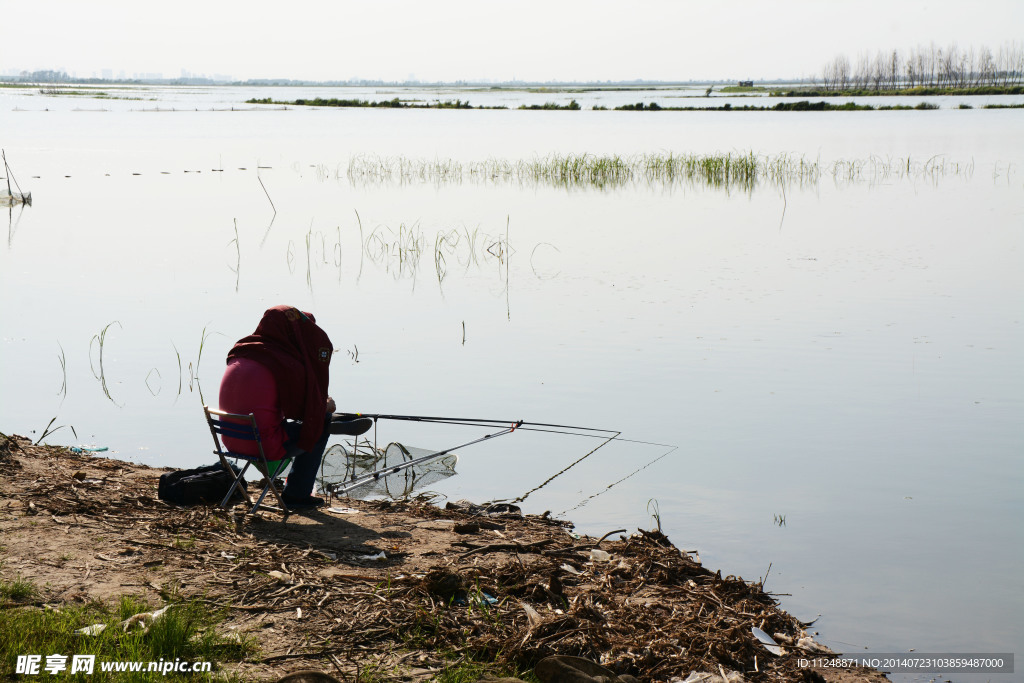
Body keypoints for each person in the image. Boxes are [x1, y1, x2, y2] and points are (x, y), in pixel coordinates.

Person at [218, 305, 335, 508]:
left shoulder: (242, 351)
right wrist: (325, 405)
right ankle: (297, 495)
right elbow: (307, 412)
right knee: (320, 423)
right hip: (262, 444)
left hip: (231, 440)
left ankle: (296, 491)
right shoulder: (282, 362)